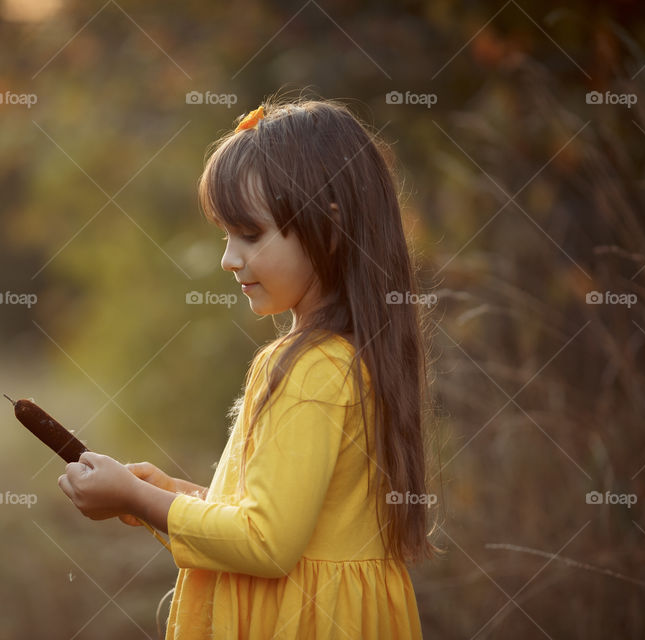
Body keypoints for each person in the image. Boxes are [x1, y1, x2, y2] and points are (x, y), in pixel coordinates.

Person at [58, 96, 440, 639]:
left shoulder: (311, 368)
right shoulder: (355, 354)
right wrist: (163, 496)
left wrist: (137, 497)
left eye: (251, 234)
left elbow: (265, 543)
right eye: (226, 235)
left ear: (330, 229)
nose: (228, 258)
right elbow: (277, 520)